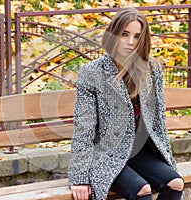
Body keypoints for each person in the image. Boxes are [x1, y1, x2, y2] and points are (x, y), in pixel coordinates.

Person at [67, 7, 184, 200]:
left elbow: (158, 121)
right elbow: (84, 128)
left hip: (138, 153)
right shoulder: (93, 72)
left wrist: (168, 161)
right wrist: (80, 177)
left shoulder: (152, 69)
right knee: (142, 190)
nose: (131, 42)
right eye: (125, 34)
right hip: (104, 155)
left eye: (137, 36)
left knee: (175, 183)